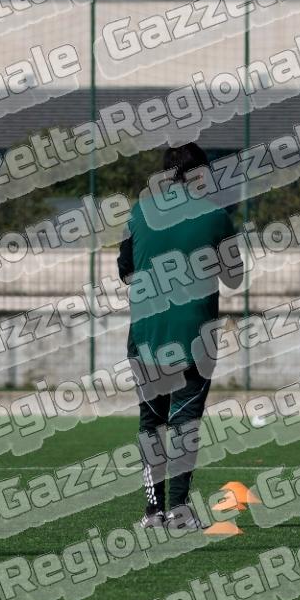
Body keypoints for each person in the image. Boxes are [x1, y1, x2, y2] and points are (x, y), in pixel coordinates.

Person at [117, 143, 242, 530]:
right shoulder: (216, 216)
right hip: (194, 336)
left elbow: (125, 271)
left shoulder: (139, 213)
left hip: (146, 335)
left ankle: (152, 511)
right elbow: (234, 278)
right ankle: (179, 510)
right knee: (185, 423)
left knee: (150, 423)